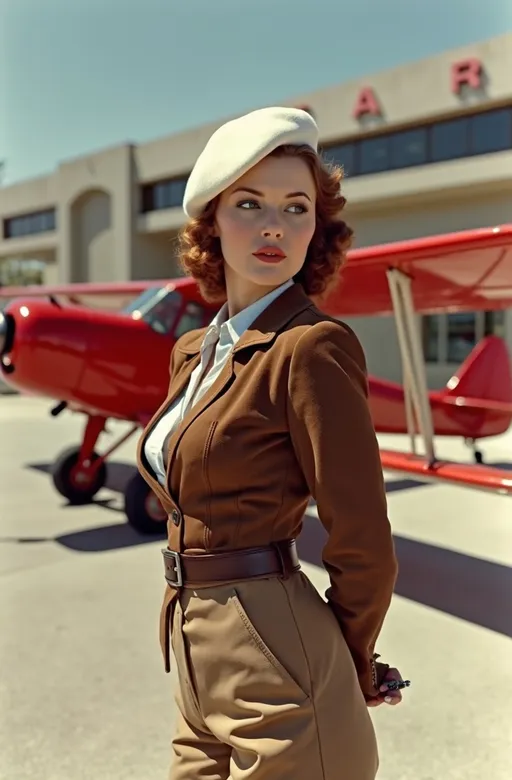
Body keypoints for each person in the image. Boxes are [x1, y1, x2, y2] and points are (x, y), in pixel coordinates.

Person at [136, 106, 404, 780]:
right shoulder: (194, 352)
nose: (274, 226)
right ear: (210, 222)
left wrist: (353, 656)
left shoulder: (311, 347)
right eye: (249, 203)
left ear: (317, 227)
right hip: (193, 649)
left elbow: (362, 535)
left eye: (296, 207)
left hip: (279, 655)